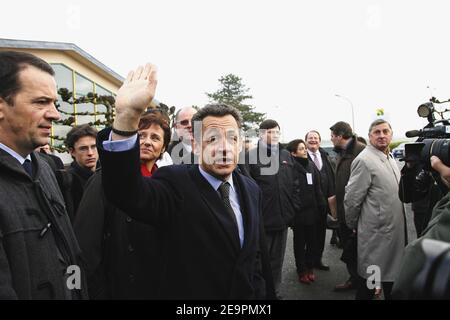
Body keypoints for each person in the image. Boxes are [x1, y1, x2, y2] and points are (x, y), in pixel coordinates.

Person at [97, 63, 273, 300]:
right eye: (212, 138)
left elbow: (256, 257)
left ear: (240, 144)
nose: (224, 148)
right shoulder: (174, 183)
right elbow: (126, 193)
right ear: (197, 145)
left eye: (232, 138)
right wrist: (127, 118)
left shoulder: (250, 189)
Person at [0, 51, 86, 299]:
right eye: (40, 102)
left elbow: (72, 258)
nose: (55, 114)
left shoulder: (45, 169)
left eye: (54, 103)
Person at [74, 111, 171, 299]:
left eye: (155, 137)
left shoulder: (167, 186)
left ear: (164, 147)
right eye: (141, 135)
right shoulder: (104, 180)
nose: (147, 142)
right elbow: (86, 245)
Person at [344, 119, 406, 300]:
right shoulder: (364, 160)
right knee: (370, 283)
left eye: (385, 131)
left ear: (391, 134)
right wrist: (355, 225)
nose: (382, 135)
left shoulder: (389, 156)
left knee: (391, 281)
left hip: (393, 233)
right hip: (375, 236)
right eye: (377, 132)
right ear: (370, 136)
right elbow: (352, 200)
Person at [242, 119, 296, 298]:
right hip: (261, 221)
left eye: (276, 132)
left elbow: (294, 183)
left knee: (277, 262)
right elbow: (246, 189)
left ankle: (275, 292)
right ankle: (259, 294)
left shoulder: (286, 155)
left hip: (282, 219)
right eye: (268, 132)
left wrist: (292, 209)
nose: (272, 135)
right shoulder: (249, 157)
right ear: (261, 134)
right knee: (258, 263)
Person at [392, 156, 450, 299]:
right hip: (427, 220)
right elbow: (407, 196)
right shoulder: (425, 166)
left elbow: (404, 287)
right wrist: (410, 169)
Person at [329, 121, 366, 292]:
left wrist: (358, 217)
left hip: (361, 215)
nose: (331, 139)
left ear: (340, 135)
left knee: (367, 253)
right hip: (345, 214)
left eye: (332, 136)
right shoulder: (341, 153)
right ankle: (354, 280)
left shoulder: (362, 151)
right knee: (350, 250)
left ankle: (372, 287)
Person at [286, 139, 325, 284]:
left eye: (304, 148)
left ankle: (310, 268)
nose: (304, 150)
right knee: (299, 243)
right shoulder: (290, 167)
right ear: (293, 152)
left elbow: (317, 187)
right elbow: (289, 191)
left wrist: (321, 206)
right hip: (299, 213)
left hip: (313, 211)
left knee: (312, 242)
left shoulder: (310, 165)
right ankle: (301, 270)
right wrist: (294, 210)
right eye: (301, 148)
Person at [305, 130, 336, 271]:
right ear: (306, 141)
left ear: (319, 140)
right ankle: (307, 262)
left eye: (315, 138)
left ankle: (318, 260)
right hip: (309, 205)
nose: (313, 140)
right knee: (309, 235)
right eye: (310, 138)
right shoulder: (302, 157)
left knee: (321, 233)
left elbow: (330, 176)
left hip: (324, 204)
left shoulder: (325, 155)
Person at [58, 124, 98, 222]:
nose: (90, 153)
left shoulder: (107, 176)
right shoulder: (66, 182)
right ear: (72, 151)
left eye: (93, 147)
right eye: (83, 148)